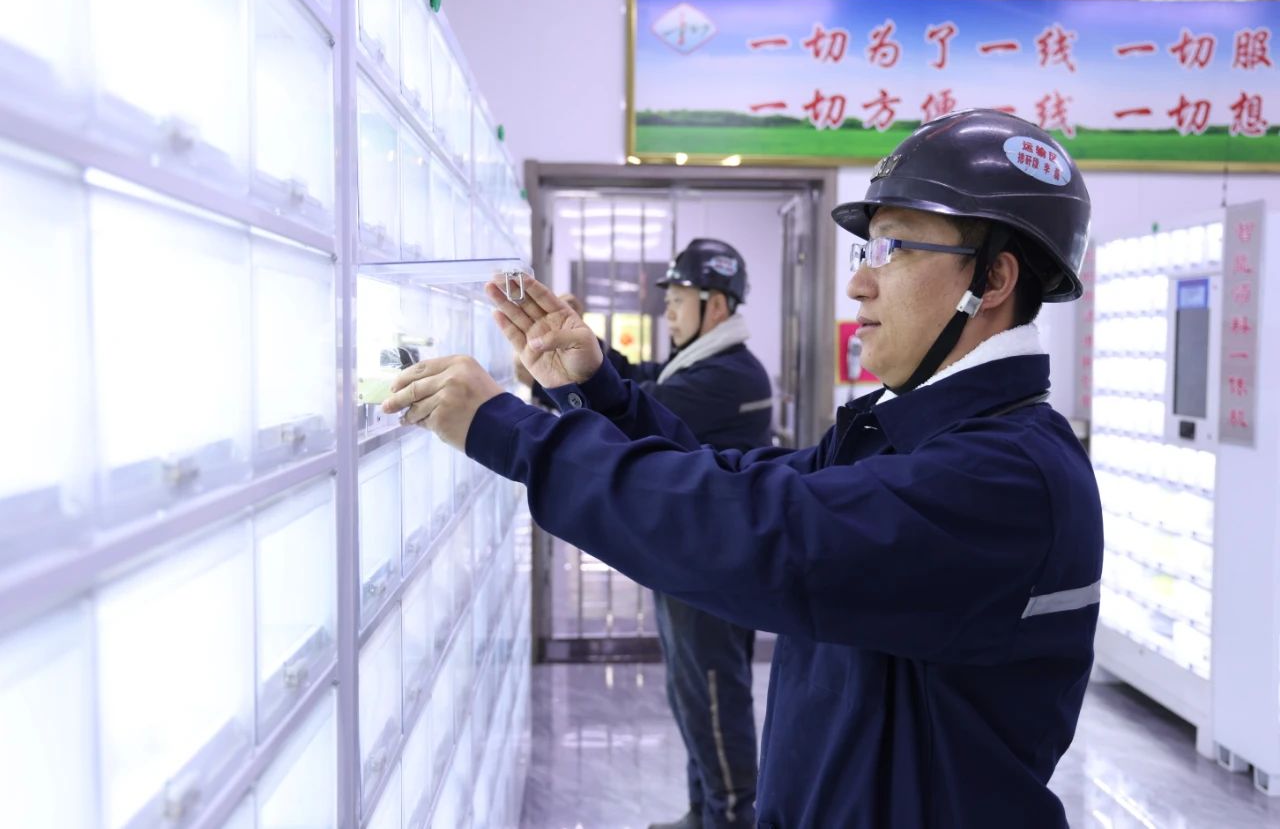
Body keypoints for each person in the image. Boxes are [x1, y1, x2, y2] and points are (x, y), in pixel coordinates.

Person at [383, 109, 1103, 826]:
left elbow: (763, 535)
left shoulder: (1006, 478)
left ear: (993, 278)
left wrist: (509, 431)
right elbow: (732, 481)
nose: (859, 284)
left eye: (893, 249)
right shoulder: (909, 434)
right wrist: (596, 391)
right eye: (866, 251)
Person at [517, 241, 772, 829]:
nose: (668, 312)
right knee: (692, 692)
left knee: (713, 695)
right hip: (692, 560)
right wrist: (577, 346)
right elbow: (635, 380)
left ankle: (730, 818)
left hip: (713, 569)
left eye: (678, 300)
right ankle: (704, 810)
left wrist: (555, 378)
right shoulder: (704, 363)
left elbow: (637, 408)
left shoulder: (729, 376)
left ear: (716, 305)